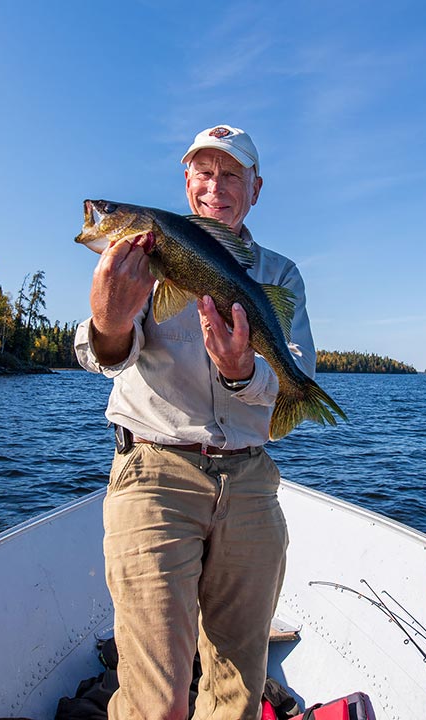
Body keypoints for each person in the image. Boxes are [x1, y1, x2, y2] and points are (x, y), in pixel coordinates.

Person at [74, 124, 318, 720]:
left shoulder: (280, 276)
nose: (216, 186)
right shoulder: (135, 258)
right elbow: (101, 355)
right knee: (156, 698)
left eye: (231, 174)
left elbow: (296, 370)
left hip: (251, 481)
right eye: (204, 172)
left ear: (256, 189)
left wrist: (244, 372)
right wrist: (107, 321)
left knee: (239, 684)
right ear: (186, 182)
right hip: (154, 474)